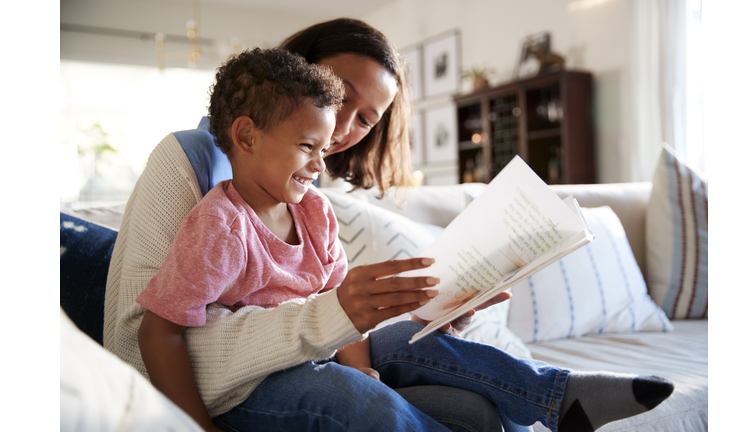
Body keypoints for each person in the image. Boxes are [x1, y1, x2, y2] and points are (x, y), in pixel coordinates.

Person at [104, 18, 673, 432]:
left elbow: (330, 302)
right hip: (246, 381)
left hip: (318, 352)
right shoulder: (202, 186)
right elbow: (147, 337)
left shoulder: (307, 197)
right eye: (339, 100)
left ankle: (558, 394)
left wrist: (432, 310)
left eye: (364, 121)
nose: (341, 135)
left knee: (469, 407)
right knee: (360, 397)